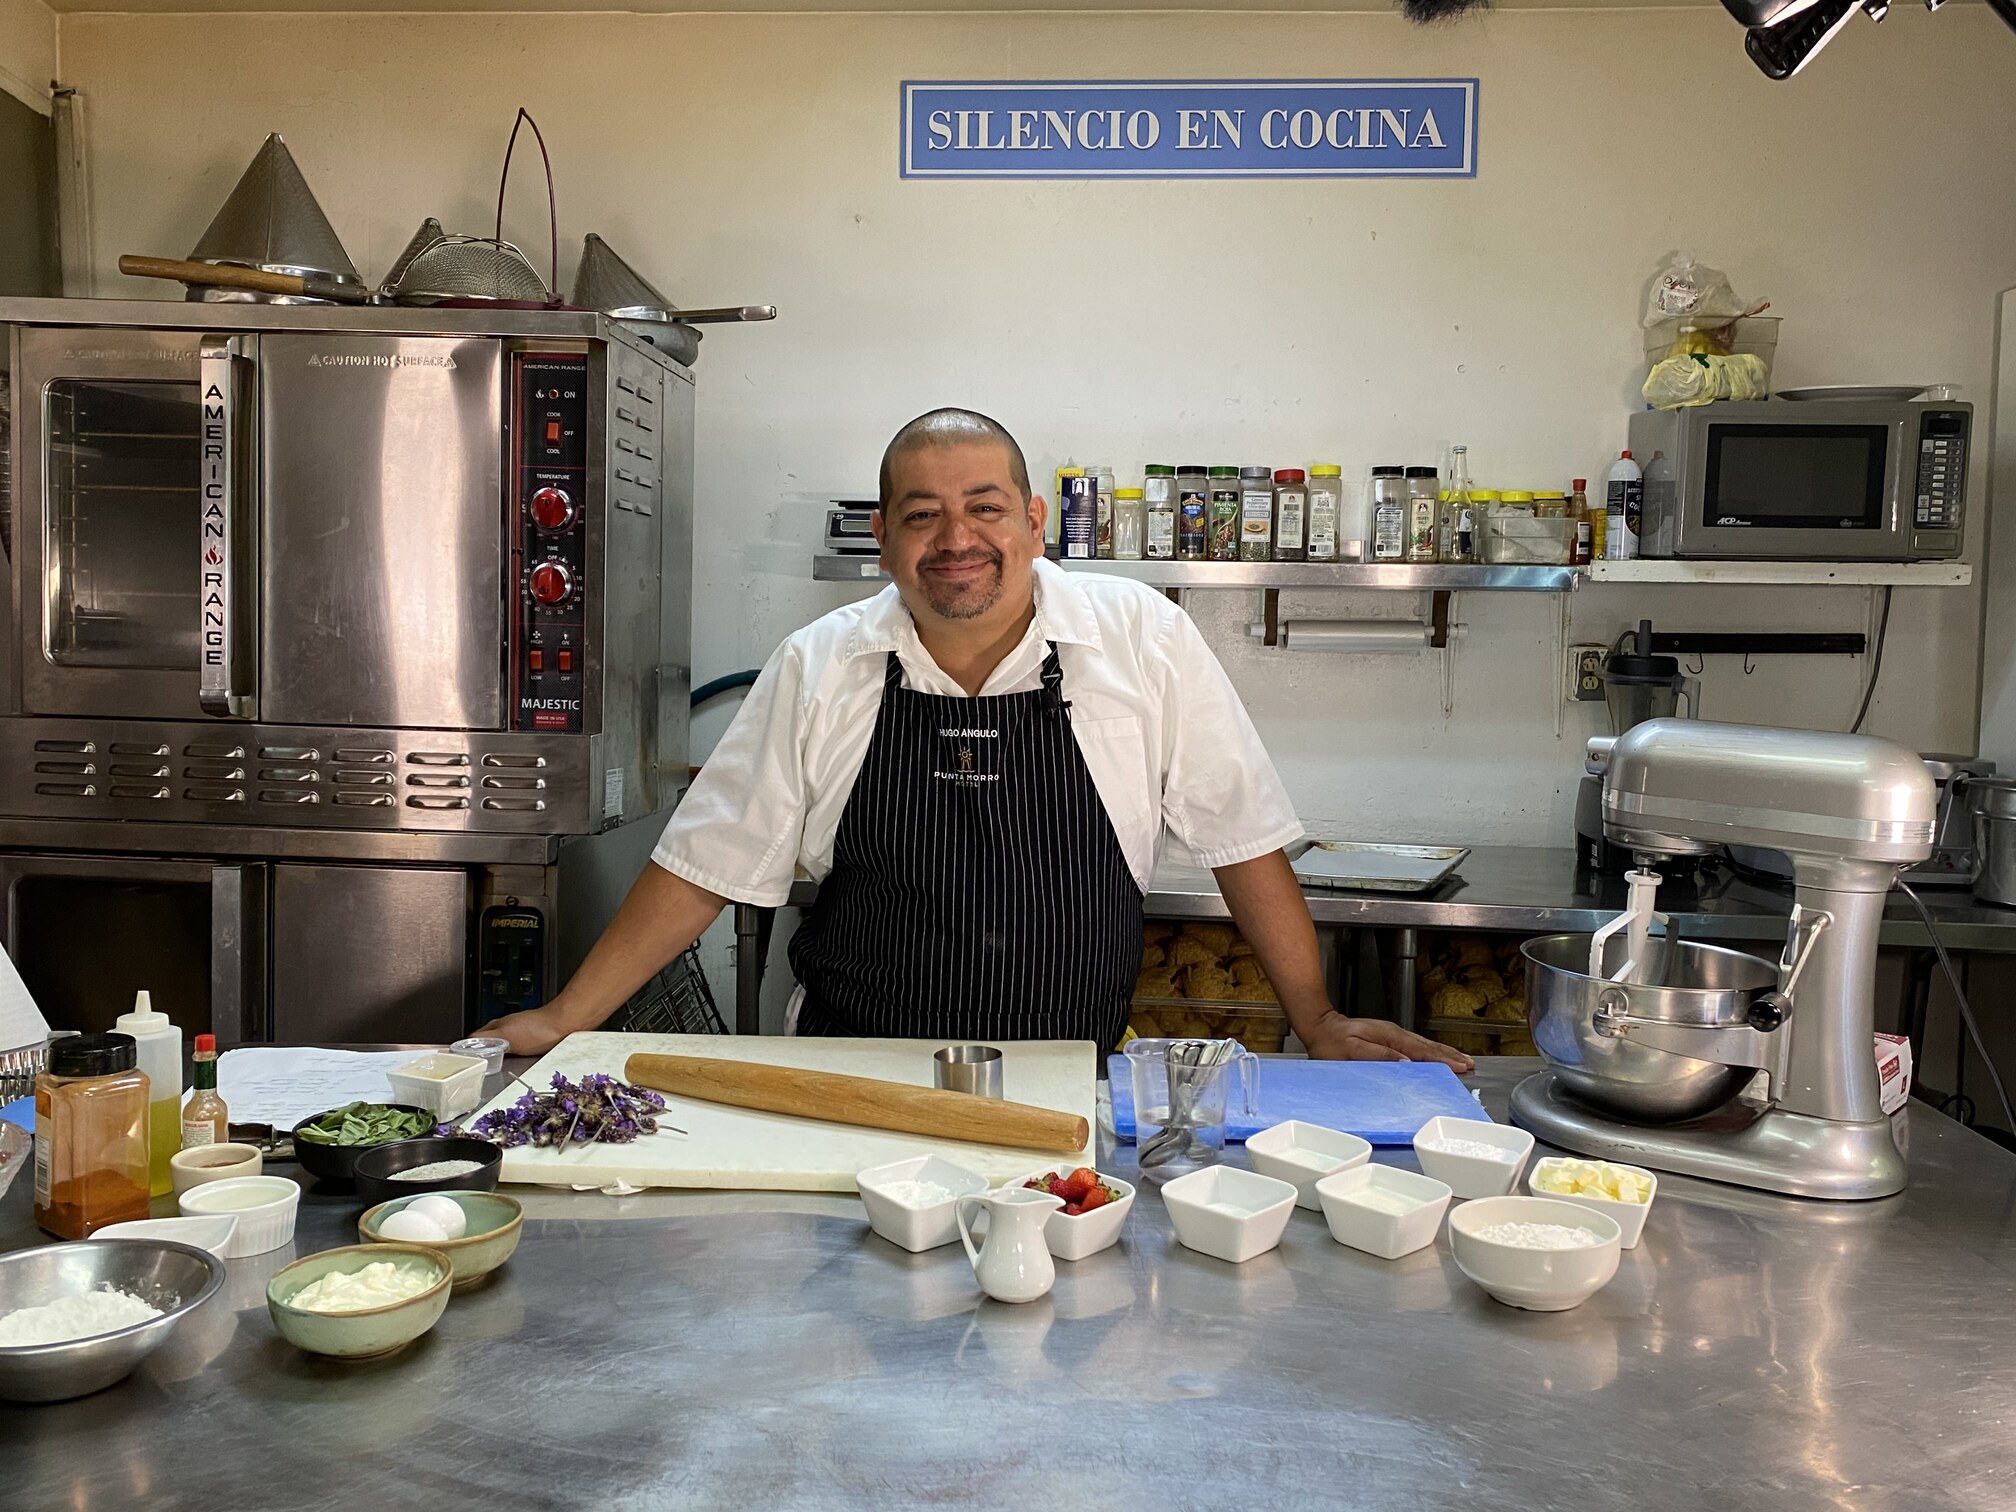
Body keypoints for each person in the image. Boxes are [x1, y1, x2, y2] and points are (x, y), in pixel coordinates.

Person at [482, 409, 1469, 1071]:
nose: (957, 537)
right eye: (924, 514)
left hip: (1063, 1079)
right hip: (854, 1075)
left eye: (985, 508)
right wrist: (566, 1017)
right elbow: (705, 865)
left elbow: (1241, 841)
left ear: (1035, 522)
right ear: (885, 534)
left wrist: (1318, 1017)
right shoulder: (821, 663)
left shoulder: (1141, 640)